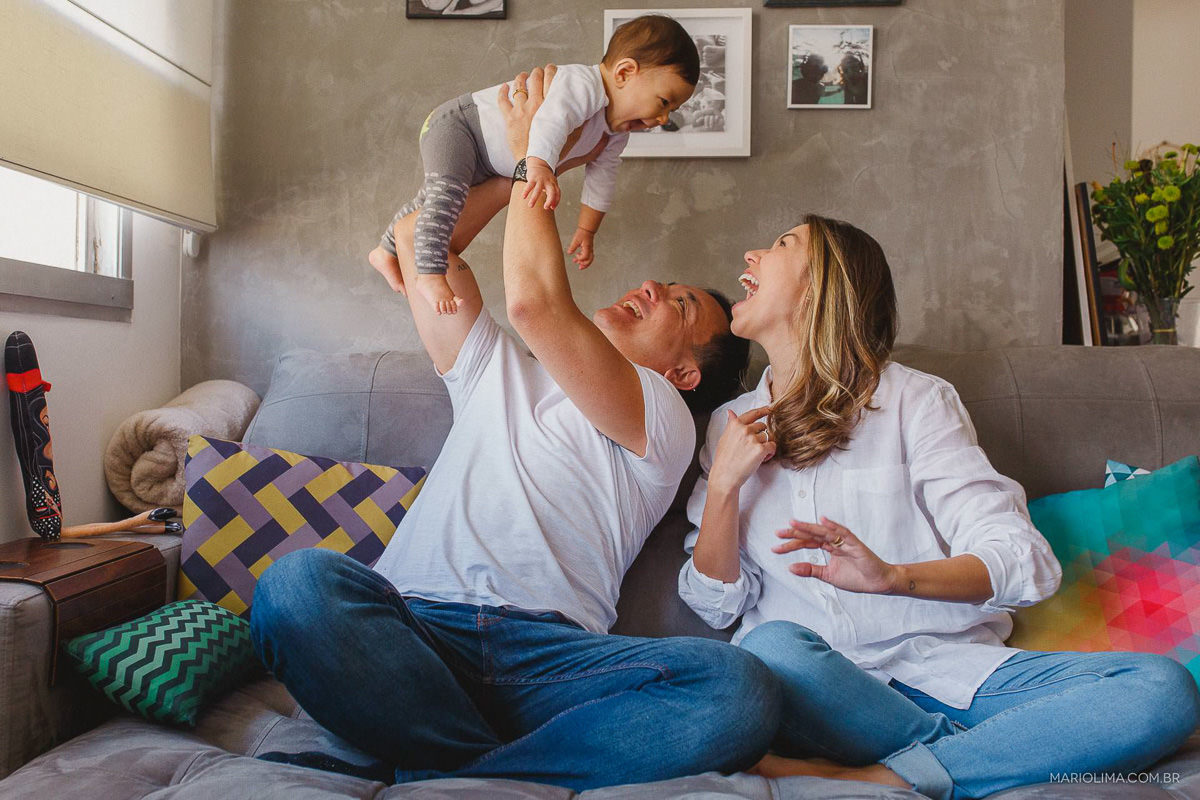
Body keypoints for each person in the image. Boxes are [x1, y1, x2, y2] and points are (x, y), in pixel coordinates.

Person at [251, 66, 776, 791]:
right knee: (297, 586)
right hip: (411, 633)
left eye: (679, 307)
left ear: (686, 373)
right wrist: (527, 169)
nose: (652, 287)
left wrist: (535, 148)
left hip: (546, 659)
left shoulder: (664, 420)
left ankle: (439, 762)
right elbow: (416, 244)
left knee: (736, 687)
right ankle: (480, 771)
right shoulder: (492, 370)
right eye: (665, 284)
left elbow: (534, 304)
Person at [678, 216, 1200, 799]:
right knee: (768, 649)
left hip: (955, 674)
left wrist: (893, 578)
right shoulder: (729, 427)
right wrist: (724, 485)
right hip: (827, 692)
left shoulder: (914, 401)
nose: (751, 253)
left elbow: (1022, 562)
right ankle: (977, 754)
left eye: (781, 244)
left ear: (826, 284)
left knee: (1162, 687)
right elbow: (714, 604)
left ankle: (887, 776)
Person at [367, 14, 698, 315]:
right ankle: (429, 273)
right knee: (445, 199)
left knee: (430, 201)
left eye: (673, 110)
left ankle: (384, 250)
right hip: (460, 127)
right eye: (665, 101)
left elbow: (603, 178)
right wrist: (537, 166)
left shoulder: (614, 133)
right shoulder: (583, 85)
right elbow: (549, 122)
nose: (663, 118)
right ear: (625, 72)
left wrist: (587, 229)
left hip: (486, 161)